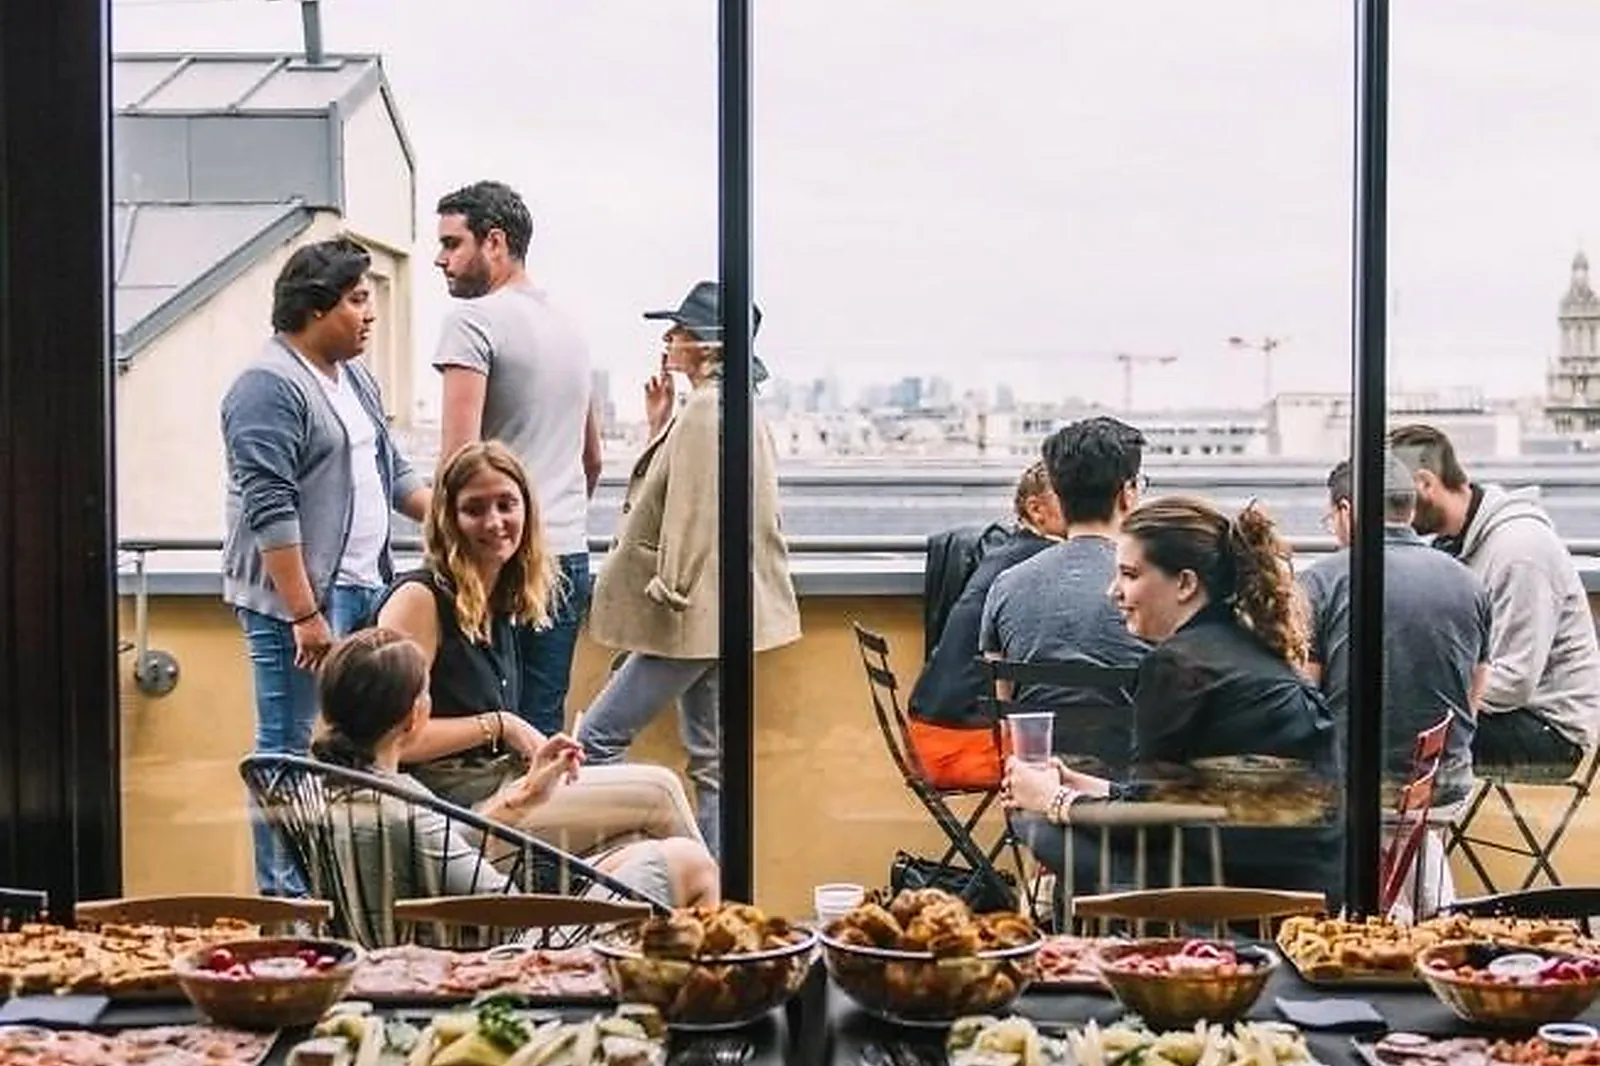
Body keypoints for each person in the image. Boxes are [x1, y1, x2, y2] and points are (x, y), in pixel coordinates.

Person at [372, 440, 717, 901]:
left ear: (527, 512)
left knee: (644, 848)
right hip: (461, 821)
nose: (495, 522)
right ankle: (725, 933)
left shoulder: (499, 600)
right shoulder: (420, 599)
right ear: (448, 520)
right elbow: (388, 740)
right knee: (659, 789)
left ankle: (648, 958)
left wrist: (540, 761)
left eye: (506, 505)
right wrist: (501, 726)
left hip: (505, 793)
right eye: (474, 509)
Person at [221, 236, 430, 897]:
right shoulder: (267, 386)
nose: (370, 314)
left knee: (359, 746)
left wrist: (451, 525)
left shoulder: (354, 376)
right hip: (304, 602)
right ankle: (286, 902)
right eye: (358, 299)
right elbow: (270, 507)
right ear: (315, 309)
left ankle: (346, 891)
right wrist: (304, 613)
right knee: (287, 749)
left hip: (365, 585)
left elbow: (391, 471)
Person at [1004, 497, 1343, 897]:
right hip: (1303, 885)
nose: (1114, 591)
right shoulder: (1246, 646)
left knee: (1037, 826)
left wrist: (1053, 799)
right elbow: (1173, 799)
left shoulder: (1176, 665)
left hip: (1228, 892)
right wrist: (1083, 785)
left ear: (1184, 583)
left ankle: (1104, 950)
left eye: (1130, 575)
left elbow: (1149, 823)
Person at [577, 282, 802, 859]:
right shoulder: (724, 405)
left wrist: (669, 593)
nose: (668, 339)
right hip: (716, 614)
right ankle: (711, 887)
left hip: (686, 615)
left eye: (678, 331)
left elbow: (696, 511)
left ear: (706, 345)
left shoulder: (707, 409)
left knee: (597, 739)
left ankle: (624, 869)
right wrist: (659, 427)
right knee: (712, 763)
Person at [310, 629, 716, 944]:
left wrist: (524, 794)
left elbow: (447, 844)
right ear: (413, 717)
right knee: (689, 862)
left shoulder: (328, 789)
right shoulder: (405, 808)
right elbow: (505, 904)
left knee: (638, 848)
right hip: (506, 955)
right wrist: (578, 874)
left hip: (424, 941)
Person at [433, 180, 601, 738]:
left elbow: (458, 462)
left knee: (483, 732)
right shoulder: (570, 328)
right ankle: (540, 830)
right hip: (567, 555)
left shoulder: (472, 320)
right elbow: (591, 459)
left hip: (499, 560)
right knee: (543, 731)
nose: (441, 259)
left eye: (453, 244)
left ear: (495, 242)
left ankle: (487, 829)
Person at [1390, 424, 1600, 774]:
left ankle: (1401, 826)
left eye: (1398, 498)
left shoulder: (1520, 551)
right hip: (1508, 713)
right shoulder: (1456, 544)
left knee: (1394, 731)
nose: (1394, 513)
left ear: (1425, 484)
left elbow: (1514, 682)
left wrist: (1427, 695)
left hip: (1550, 729)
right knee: (1391, 719)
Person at [1300, 455, 1491, 805]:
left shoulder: (1321, 581)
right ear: (1411, 510)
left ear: (1345, 510)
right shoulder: (1470, 582)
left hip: (1350, 787)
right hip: (1444, 786)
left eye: (1331, 520)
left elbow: (1304, 696)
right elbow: (1474, 689)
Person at [978, 417, 1150, 769]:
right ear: (1127, 495)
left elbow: (1005, 713)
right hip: (1139, 799)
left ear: (1057, 492)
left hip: (1038, 792)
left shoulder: (1006, 585)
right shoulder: (1159, 589)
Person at [906, 462, 1066, 788]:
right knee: (1103, 752)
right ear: (1037, 509)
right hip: (966, 747)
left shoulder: (1005, 552)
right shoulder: (1042, 568)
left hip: (933, 738)